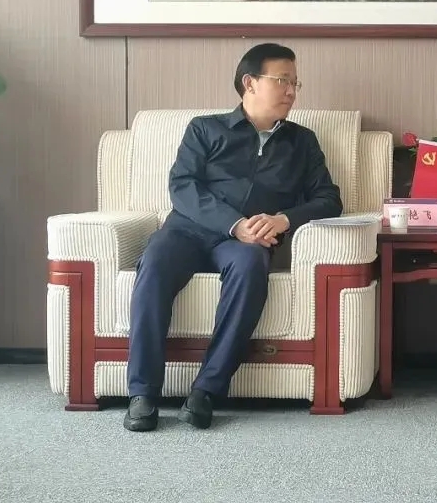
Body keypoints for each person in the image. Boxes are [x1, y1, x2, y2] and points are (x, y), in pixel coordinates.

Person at [123, 43, 343, 432]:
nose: (292, 91)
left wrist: (283, 220)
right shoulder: (205, 129)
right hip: (187, 231)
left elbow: (329, 199)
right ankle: (142, 393)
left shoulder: (302, 142)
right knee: (154, 261)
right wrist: (234, 223)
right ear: (249, 82)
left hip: (246, 245)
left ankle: (206, 391)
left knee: (251, 265)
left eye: (295, 83)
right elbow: (182, 186)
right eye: (283, 80)